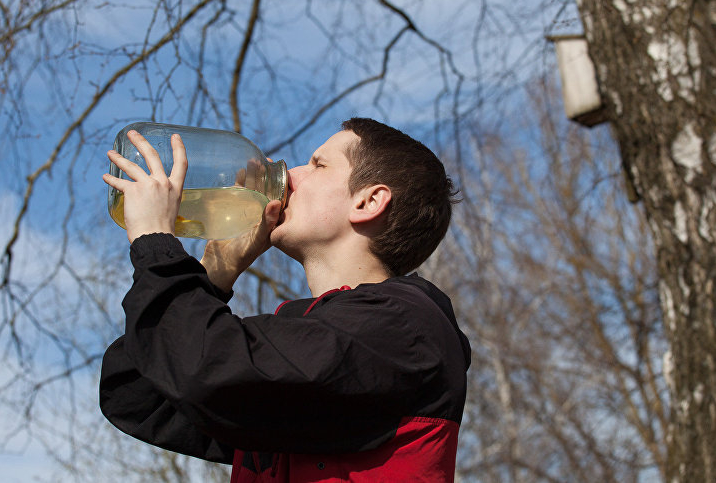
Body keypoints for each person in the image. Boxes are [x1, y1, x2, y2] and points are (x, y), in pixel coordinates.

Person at [99, 118, 470, 482]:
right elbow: (136, 392)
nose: (289, 174)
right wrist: (214, 273)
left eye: (317, 165)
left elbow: (208, 371)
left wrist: (155, 242)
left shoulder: (404, 329)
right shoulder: (306, 342)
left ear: (368, 201)